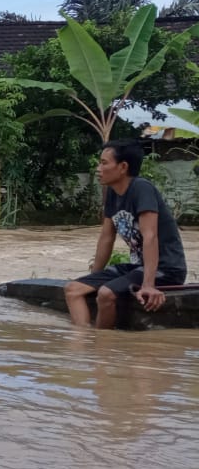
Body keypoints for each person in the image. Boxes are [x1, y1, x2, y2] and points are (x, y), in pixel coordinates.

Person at [62, 140, 188, 329]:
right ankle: (84, 343)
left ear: (122, 167)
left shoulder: (141, 189)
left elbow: (150, 236)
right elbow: (106, 238)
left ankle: (102, 345)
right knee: (73, 290)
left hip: (166, 268)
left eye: (104, 163)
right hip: (137, 267)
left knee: (105, 294)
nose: (98, 169)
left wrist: (148, 285)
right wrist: (95, 278)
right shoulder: (113, 193)